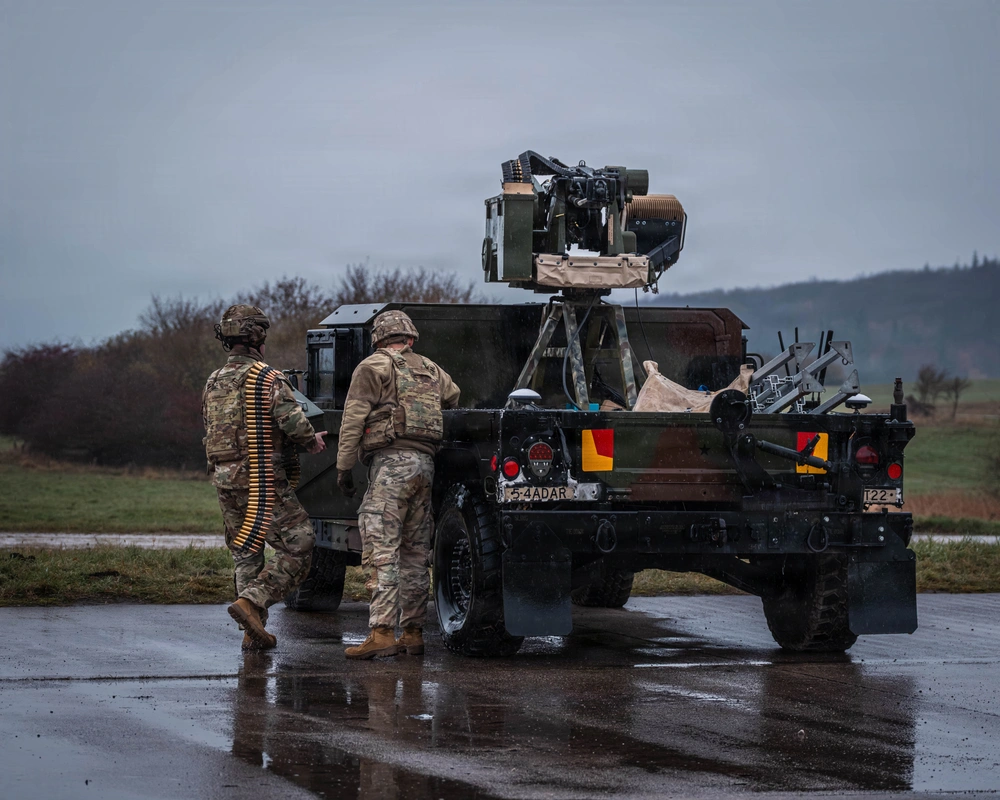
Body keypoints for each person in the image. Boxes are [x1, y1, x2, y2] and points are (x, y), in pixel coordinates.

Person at [336, 309, 460, 659]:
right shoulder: (431, 369)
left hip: (391, 464)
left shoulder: (373, 366)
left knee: (381, 548)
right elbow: (454, 397)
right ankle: (413, 632)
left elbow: (353, 420)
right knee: (416, 553)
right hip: (426, 466)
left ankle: (380, 632)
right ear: (410, 338)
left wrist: (344, 468)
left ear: (378, 338)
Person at [203, 304, 327, 651]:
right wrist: (311, 440)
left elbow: (211, 429)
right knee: (300, 545)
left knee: (246, 552)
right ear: (256, 335)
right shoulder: (265, 376)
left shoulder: (214, 380)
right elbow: (292, 421)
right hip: (260, 477)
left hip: (224, 479)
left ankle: (251, 632)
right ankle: (252, 603)